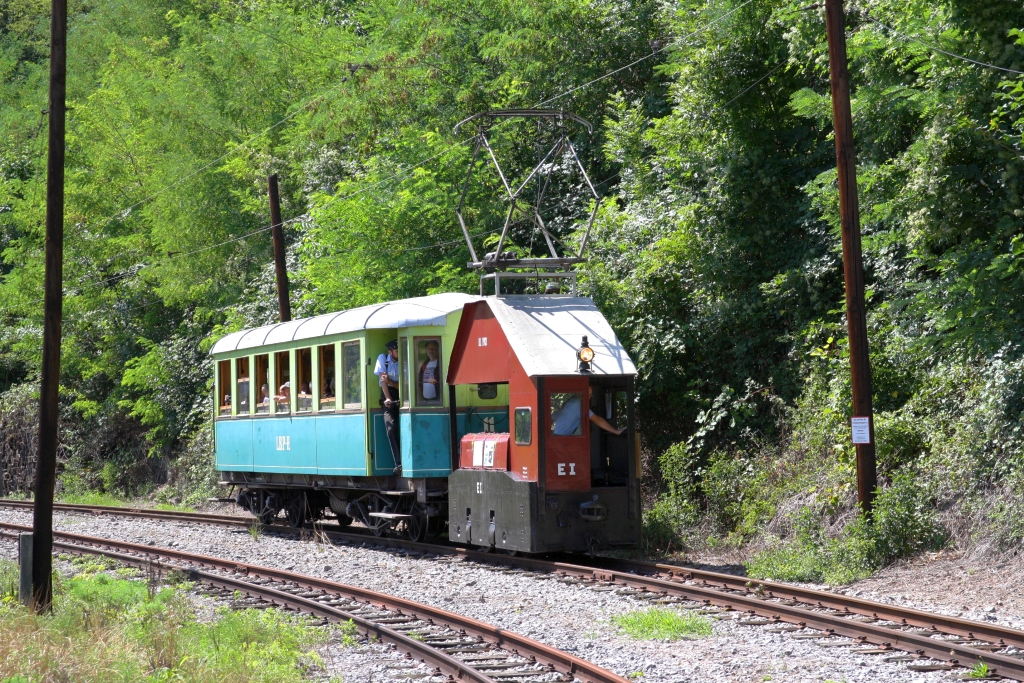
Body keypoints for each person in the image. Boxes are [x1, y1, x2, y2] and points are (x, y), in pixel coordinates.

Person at [374, 340, 401, 469]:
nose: (399, 353)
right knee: (391, 428)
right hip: (388, 395)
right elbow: (383, 380)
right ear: (390, 352)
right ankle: (398, 462)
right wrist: (388, 399)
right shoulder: (382, 359)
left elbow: (403, 386)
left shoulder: (406, 359)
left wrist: (390, 381)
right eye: (396, 351)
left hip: (403, 394)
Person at [551, 394, 624, 436]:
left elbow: (552, 417)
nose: (589, 398)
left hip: (557, 436)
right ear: (581, 393)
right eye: (588, 395)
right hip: (562, 439)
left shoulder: (571, 402)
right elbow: (597, 420)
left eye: (591, 395)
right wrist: (616, 431)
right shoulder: (577, 405)